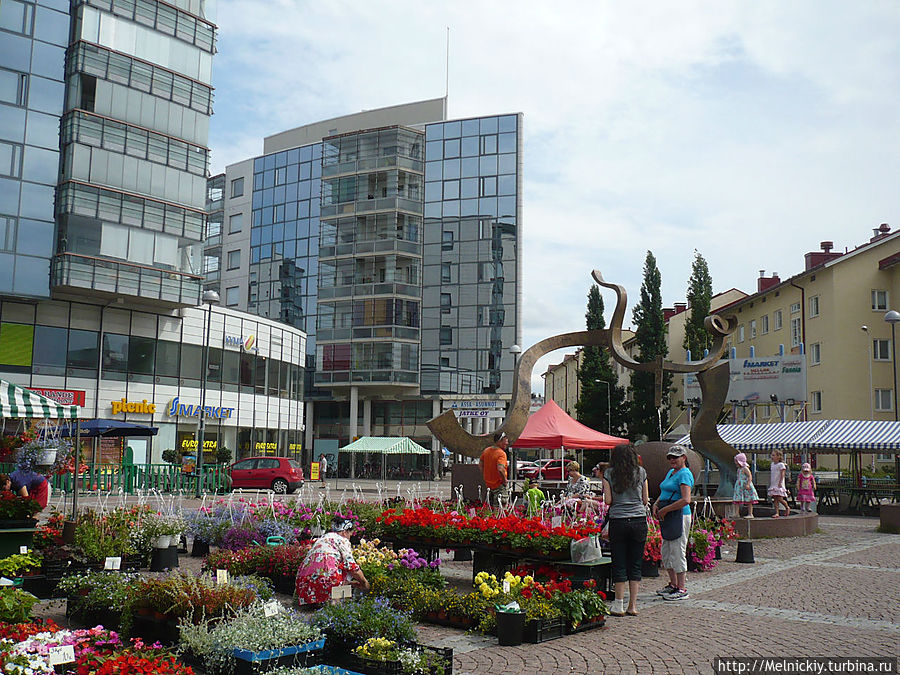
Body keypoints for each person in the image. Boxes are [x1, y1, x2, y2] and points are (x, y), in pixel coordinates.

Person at [602, 443, 649, 616]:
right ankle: (633, 606)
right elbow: (645, 500)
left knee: (619, 562)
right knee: (635, 563)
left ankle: (618, 605)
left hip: (618, 521)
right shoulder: (641, 472)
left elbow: (607, 500)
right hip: (638, 520)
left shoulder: (608, 473)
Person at [295, 515, 369, 607]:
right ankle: (337, 604)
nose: (350, 537)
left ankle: (316, 603)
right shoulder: (342, 540)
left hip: (304, 583)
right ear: (345, 532)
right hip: (327, 581)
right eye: (350, 534)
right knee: (346, 571)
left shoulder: (321, 539)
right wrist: (364, 582)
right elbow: (351, 566)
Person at [652, 445, 694, 601]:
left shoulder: (684, 474)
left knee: (677, 550)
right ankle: (673, 584)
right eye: (670, 457)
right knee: (667, 550)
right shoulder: (671, 472)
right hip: (668, 515)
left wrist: (666, 509)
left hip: (679, 516)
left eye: (675, 457)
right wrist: (657, 504)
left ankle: (682, 587)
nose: (672, 460)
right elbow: (664, 491)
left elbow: (685, 499)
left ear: (684, 457)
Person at [479, 432, 509, 503]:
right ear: (499, 441)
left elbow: (480, 465)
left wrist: (486, 475)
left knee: (490, 508)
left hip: (489, 485)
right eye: (505, 441)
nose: (507, 443)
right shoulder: (501, 453)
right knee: (500, 509)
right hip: (499, 485)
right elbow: (500, 469)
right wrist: (504, 481)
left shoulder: (486, 451)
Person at [732, 453, 759, 519]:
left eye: (736, 461)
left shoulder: (745, 469)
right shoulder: (739, 469)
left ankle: (750, 513)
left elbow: (750, 476)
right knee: (737, 500)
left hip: (745, 486)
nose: (735, 463)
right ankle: (736, 513)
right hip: (739, 486)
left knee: (749, 500)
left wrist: (748, 484)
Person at [768, 450, 790, 517]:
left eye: (774, 455)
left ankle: (787, 507)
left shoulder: (781, 465)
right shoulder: (772, 464)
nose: (772, 457)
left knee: (780, 498)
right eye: (772, 455)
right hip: (774, 483)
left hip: (779, 483)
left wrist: (780, 482)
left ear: (778, 456)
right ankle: (776, 512)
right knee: (775, 499)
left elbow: (782, 474)